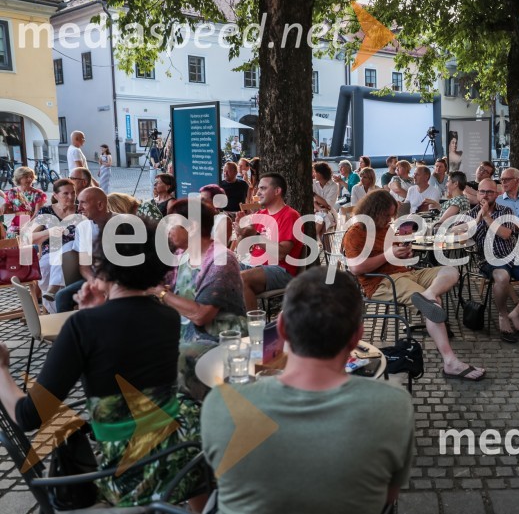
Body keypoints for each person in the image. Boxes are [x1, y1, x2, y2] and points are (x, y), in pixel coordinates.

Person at [0, 219, 205, 507]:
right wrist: (94, 313)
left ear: (102, 264)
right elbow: (121, 342)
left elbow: (28, 416)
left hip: (126, 474)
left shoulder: (84, 327)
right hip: (178, 454)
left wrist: (2, 370)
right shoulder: (168, 317)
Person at [201, 267, 414, 513]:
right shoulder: (395, 407)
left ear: (281, 328)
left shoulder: (219, 404)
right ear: (357, 337)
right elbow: (388, 496)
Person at [344, 190, 485, 380]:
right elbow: (356, 268)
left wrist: (404, 255)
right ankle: (450, 362)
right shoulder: (357, 232)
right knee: (433, 306)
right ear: (374, 211)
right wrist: (390, 255)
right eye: (387, 214)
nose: (390, 219)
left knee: (451, 271)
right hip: (382, 283)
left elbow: (394, 255)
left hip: (406, 274)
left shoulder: (385, 228)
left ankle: (428, 295)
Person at [153, 198, 246, 400]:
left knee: (170, 358)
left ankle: (190, 415)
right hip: (187, 333)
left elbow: (201, 314)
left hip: (219, 338)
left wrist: (162, 293)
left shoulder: (221, 259)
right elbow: (163, 286)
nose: (168, 229)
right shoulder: (181, 255)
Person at [461, 178, 519, 342]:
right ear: (477, 194)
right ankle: (503, 316)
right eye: (482, 191)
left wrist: (487, 217)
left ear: (497, 194)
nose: (486, 195)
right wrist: (477, 219)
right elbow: (456, 232)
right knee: (502, 277)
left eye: (490, 192)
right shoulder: (469, 215)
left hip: (515, 256)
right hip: (490, 259)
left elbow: (505, 234)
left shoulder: (506, 211)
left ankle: (515, 313)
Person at [237, 173, 304, 310]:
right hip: (255, 265)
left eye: (262, 188)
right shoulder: (261, 215)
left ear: (277, 191)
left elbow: (280, 254)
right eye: (258, 189)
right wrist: (241, 233)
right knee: (218, 271)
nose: (258, 192)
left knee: (242, 278)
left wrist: (255, 235)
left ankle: (252, 327)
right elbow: (242, 246)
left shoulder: (290, 215)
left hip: (281, 270)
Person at [55, 187, 112, 313]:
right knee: (62, 296)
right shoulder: (83, 227)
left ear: (100, 205)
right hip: (95, 278)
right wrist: (94, 282)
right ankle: (71, 331)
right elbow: (84, 265)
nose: (78, 208)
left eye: (83, 203)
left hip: (121, 280)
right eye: (78, 202)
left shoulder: (121, 224)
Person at [28, 178, 78, 305]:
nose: (71, 196)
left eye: (73, 192)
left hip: (76, 255)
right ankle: (57, 312)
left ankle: (54, 290)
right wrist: (49, 232)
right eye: (66, 193)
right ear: (56, 195)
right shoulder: (46, 212)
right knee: (45, 267)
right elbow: (29, 237)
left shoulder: (81, 210)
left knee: (69, 246)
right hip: (50, 254)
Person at [4, 166, 48, 237]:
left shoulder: (38, 194)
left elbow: (38, 212)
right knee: (11, 237)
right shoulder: (12, 192)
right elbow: (9, 209)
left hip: (33, 220)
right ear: (19, 178)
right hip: (17, 220)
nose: (29, 179)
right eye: (26, 177)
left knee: (26, 238)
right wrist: (4, 206)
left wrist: (28, 225)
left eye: (31, 177)